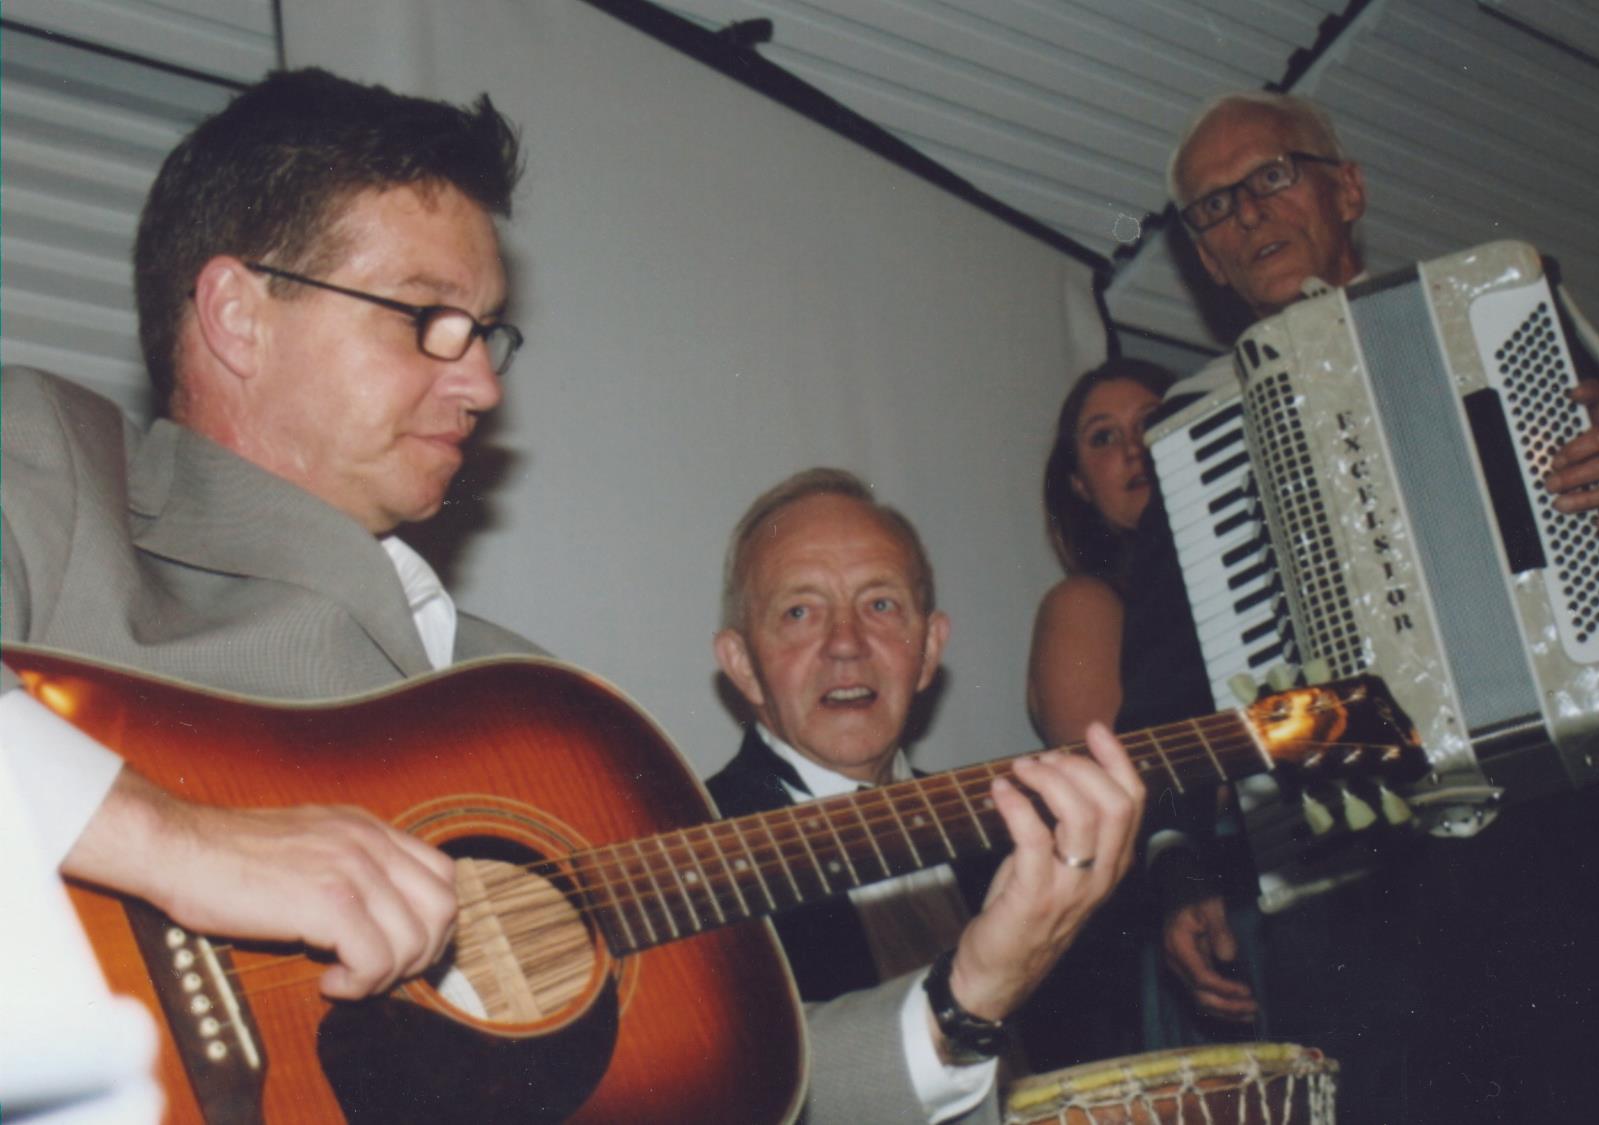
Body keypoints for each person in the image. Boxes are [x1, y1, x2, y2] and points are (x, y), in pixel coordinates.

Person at [0, 68, 1139, 1125]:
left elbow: (696, 1074)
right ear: (237, 315)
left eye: (485, 332)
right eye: (426, 317)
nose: (482, 382)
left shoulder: (535, 710)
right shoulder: (57, 470)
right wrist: (188, 844)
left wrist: (968, 997)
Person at [1124, 90, 1599, 1124]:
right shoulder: (1195, 440)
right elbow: (1163, 698)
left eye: (1271, 175)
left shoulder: (1500, 318)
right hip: (1378, 924)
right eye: (1212, 207)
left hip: (1591, 871)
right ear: (1205, 260)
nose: (1246, 213)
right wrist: (1178, 865)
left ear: (1348, 189)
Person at [708, 469, 1145, 1109]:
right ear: (744, 665)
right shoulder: (691, 855)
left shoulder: (1012, 835)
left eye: (880, 605)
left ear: (930, 648)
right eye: (799, 612)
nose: (846, 645)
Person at [1026, 358, 1172, 747]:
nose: (1134, 448)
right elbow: (1109, 770)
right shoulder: (1084, 604)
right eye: (1104, 437)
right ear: (1080, 484)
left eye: (1150, 422)